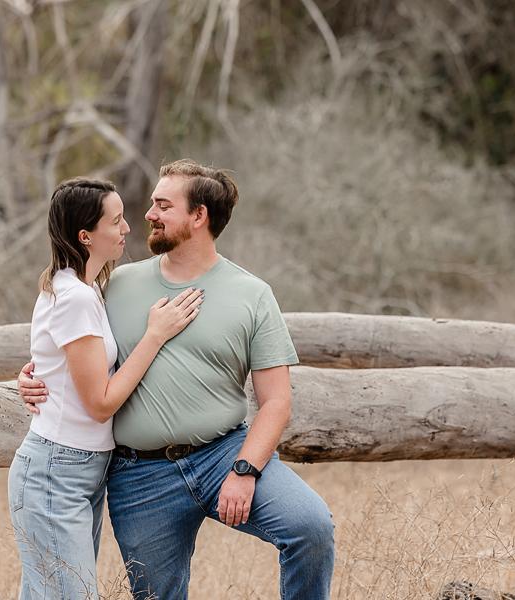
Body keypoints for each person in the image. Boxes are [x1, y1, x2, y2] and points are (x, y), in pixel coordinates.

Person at [19, 160, 336, 600]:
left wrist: (245, 470)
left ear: (199, 216)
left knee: (312, 528)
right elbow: (71, 344)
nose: (148, 214)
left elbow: (277, 401)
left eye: (163, 206)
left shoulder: (253, 295)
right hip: (140, 474)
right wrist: (32, 375)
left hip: (225, 455)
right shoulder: (116, 284)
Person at [8, 177, 204, 600]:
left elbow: (61, 366)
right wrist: (156, 335)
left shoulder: (88, 289)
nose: (126, 228)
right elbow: (99, 404)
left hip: (81, 468)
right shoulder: (75, 296)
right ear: (86, 236)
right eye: (115, 221)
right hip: (57, 470)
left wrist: (31, 377)